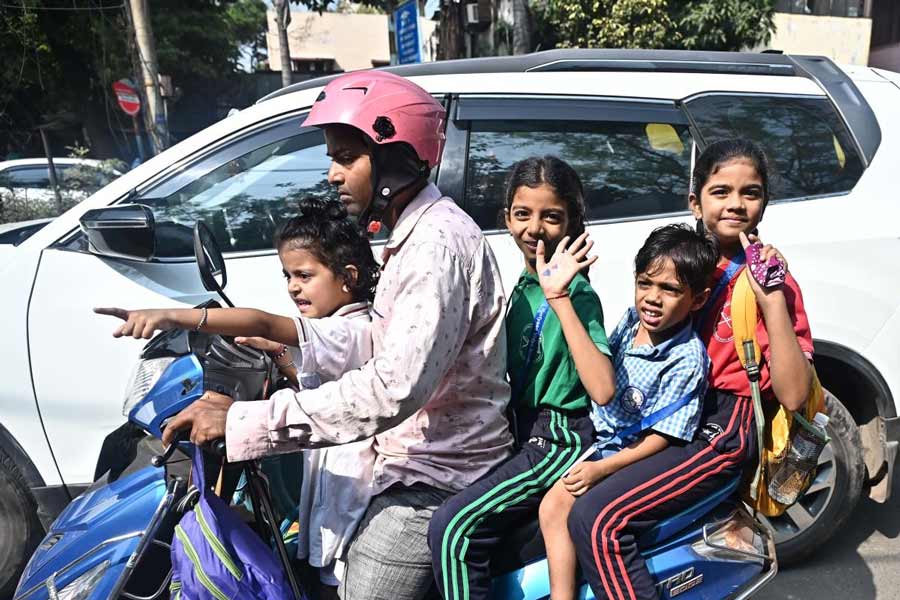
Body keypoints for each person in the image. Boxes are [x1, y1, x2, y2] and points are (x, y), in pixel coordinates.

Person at [157, 71, 514, 600]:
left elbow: (392, 387)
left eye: (347, 157)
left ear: (393, 159)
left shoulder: (436, 248)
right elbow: (376, 341)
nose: (332, 174)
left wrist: (247, 421)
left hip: (436, 475)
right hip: (403, 456)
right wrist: (289, 346)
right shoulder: (411, 235)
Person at [567, 139, 814, 600]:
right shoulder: (681, 262)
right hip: (664, 412)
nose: (735, 204)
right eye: (721, 191)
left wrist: (771, 298)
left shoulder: (767, 276)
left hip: (720, 427)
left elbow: (795, 394)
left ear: (765, 202)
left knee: (599, 519)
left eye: (751, 192)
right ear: (695, 201)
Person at [96, 197, 380, 595]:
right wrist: (279, 355)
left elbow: (264, 320)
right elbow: (319, 382)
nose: (293, 287)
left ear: (348, 277)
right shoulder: (338, 326)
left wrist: (172, 315)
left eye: (304, 275)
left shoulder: (355, 329)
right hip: (334, 493)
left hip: (353, 500)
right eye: (287, 276)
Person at [428, 156, 616, 600]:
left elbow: (603, 389)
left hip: (559, 439)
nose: (535, 229)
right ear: (507, 218)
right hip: (517, 429)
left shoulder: (578, 294)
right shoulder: (519, 286)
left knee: (454, 529)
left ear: (571, 221)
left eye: (552, 217)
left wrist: (564, 297)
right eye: (522, 214)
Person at [538, 224, 716, 600]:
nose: (653, 298)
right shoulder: (631, 321)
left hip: (625, 452)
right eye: (645, 284)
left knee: (572, 508)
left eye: (670, 290)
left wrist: (602, 468)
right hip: (597, 435)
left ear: (697, 300)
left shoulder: (686, 358)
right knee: (549, 505)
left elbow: (664, 437)